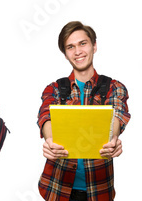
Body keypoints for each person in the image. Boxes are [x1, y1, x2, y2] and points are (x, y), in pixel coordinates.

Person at [36, 21, 129, 201]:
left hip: (99, 190)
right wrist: (50, 140)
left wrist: (113, 138)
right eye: (70, 47)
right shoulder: (54, 88)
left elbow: (116, 115)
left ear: (94, 46)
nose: (77, 51)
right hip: (57, 189)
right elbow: (46, 116)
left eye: (82, 43)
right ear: (65, 54)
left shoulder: (114, 87)